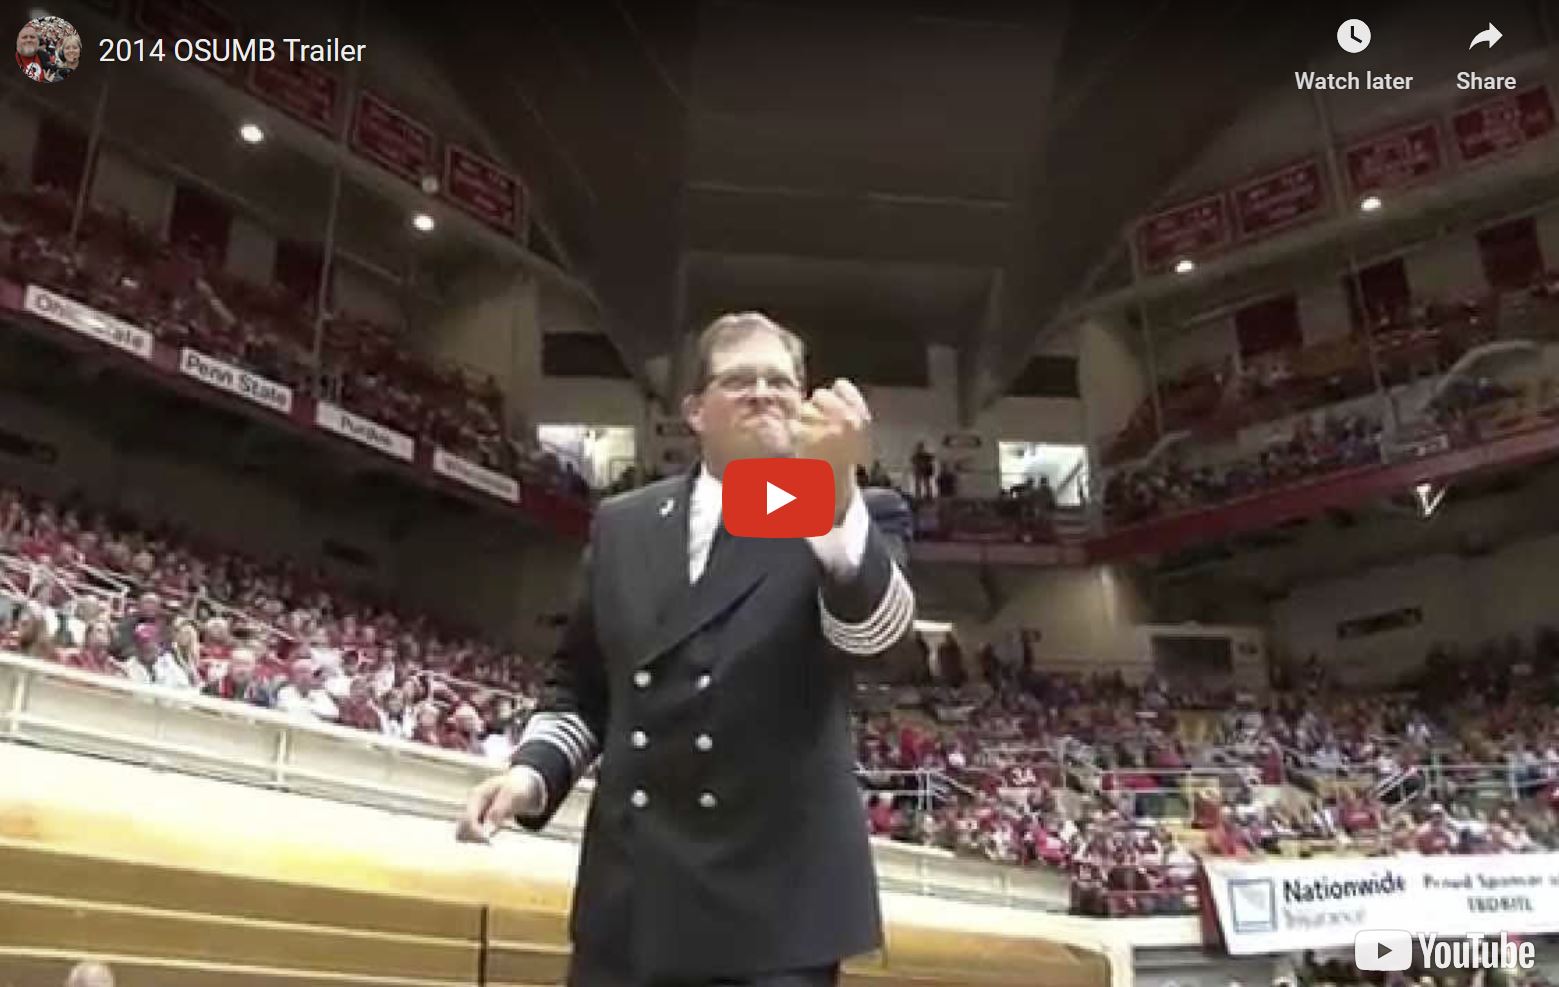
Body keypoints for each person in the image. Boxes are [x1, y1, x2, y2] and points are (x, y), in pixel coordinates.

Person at [458, 311, 915, 986]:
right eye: (739, 379)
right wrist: (530, 775)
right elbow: (586, 685)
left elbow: (876, 640)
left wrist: (833, 491)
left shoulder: (852, 509)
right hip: (632, 900)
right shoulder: (625, 522)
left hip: (773, 910)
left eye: (781, 380)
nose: (764, 391)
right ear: (694, 411)